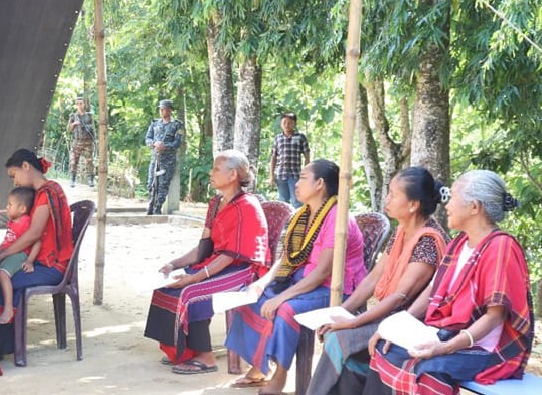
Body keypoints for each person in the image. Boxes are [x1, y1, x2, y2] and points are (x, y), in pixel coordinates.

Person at [364, 170, 532, 395]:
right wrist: (397, 327)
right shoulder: (460, 243)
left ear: (474, 207)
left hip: (485, 349)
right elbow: (433, 290)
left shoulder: (501, 247)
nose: (447, 205)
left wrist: (444, 348)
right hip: (451, 333)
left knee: (429, 371)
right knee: (387, 349)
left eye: (453, 197)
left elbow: (495, 316)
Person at [225, 159, 366, 395]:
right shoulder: (303, 214)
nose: (297, 184)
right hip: (304, 280)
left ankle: (280, 377)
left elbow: (322, 272)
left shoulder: (337, 218)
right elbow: (288, 258)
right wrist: (262, 283)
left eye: (302, 178)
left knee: (286, 309)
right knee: (250, 297)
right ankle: (259, 367)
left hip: (335, 289)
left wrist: (281, 298)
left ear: (319, 184)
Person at [307, 167, 451, 395]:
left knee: (339, 340)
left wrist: (352, 323)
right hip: (388, 317)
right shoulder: (402, 231)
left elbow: (399, 297)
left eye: (393, 194)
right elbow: (373, 277)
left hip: (410, 323)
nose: (387, 199)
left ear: (413, 205)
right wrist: (341, 312)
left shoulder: (428, 241)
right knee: (343, 347)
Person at [143, 150, 270, 375]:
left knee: (190, 293)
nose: (211, 173)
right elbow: (204, 247)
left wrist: (194, 278)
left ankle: (206, 357)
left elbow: (230, 255)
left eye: (216, 169)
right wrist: (173, 265)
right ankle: (184, 351)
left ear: (232, 175)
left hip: (243, 269)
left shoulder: (246, 206)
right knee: (166, 287)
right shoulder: (216, 202)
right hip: (217, 262)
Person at [0, 148, 73, 355]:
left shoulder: (48, 192)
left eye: (14, 175)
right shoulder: (40, 194)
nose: (15, 182)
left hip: (52, 266)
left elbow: (33, 234)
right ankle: (6, 344)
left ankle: (1, 346)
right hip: (38, 261)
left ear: (25, 166)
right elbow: (21, 229)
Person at [0, 186, 39, 324]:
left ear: (22, 209)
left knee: (3, 273)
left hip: (20, 255)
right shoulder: (13, 222)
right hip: (7, 253)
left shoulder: (26, 221)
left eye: (10, 205)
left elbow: (37, 242)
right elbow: (6, 242)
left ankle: (8, 309)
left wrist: (30, 260)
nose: (7, 207)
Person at [145, 99, 184, 215]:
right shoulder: (155, 123)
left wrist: (165, 146)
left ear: (170, 110)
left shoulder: (177, 125)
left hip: (168, 161)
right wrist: (154, 144)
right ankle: (151, 204)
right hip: (155, 159)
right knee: (151, 183)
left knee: (163, 185)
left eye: (165, 109)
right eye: (160, 109)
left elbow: (177, 142)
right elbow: (148, 138)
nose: (162, 111)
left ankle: (157, 208)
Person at [268, 112, 310, 207]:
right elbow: (273, 157)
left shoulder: (300, 137)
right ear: (281, 124)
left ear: (294, 124)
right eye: (284, 122)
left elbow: (307, 155)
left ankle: (298, 216)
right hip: (281, 174)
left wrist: (306, 173)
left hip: (295, 174)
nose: (287, 125)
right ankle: (285, 217)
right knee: (283, 201)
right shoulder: (278, 138)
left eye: (290, 123)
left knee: (297, 200)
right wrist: (271, 175)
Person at [67, 97, 95, 188]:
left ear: (84, 104)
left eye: (81, 103)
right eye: (77, 103)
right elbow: (68, 129)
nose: (79, 105)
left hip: (87, 142)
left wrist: (94, 140)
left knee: (89, 161)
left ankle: (91, 179)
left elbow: (93, 129)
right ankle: (72, 179)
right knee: (74, 161)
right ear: (76, 105)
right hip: (77, 141)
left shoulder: (89, 116)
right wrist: (74, 123)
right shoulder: (73, 116)